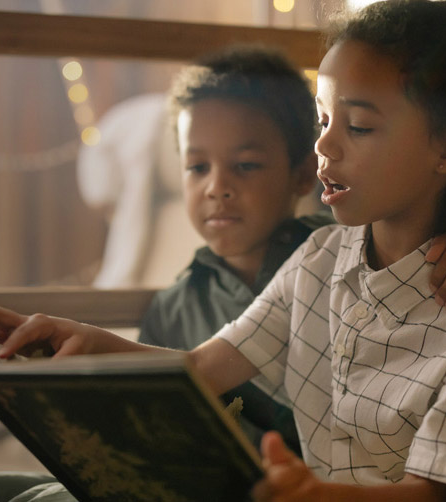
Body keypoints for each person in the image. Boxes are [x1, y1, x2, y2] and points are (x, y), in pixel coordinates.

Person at [0, 2, 446, 499]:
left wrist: (313, 495)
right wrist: (80, 340)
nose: (324, 146)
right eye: (323, 121)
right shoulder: (319, 258)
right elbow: (199, 370)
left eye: (360, 127)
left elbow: (431, 494)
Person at [138, 44, 334, 454]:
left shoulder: (341, 252)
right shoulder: (173, 310)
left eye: (245, 165)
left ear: (302, 175)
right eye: (197, 167)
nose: (216, 187)